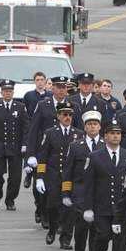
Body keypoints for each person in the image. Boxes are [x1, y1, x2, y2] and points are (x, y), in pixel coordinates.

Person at [83, 120, 126, 251]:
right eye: (112, 133)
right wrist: (88, 208)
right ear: (105, 136)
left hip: (123, 210)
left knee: (121, 244)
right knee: (103, 237)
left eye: (118, 133)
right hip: (103, 207)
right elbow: (88, 184)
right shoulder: (95, 156)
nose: (116, 136)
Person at [26, 76, 81, 226]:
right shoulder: (43, 105)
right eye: (58, 87)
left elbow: (79, 130)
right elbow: (34, 130)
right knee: (43, 187)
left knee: (62, 188)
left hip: (66, 152)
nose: (62, 90)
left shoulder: (74, 106)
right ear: (52, 88)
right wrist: (30, 155)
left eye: (64, 87)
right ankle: (42, 212)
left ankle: (58, 219)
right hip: (44, 151)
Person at [35, 102, 84, 248]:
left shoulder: (79, 134)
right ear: (58, 116)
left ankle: (65, 239)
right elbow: (43, 156)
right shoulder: (50, 133)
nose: (67, 117)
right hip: (54, 175)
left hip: (70, 177)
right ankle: (52, 229)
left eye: (70, 115)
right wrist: (40, 177)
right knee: (53, 206)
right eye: (64, 115)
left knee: (69, 209)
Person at [61, 110, 105, 251]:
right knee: (81, 228)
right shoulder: (75, 146)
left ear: (100, 127)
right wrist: (66, 193)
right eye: (89, 124)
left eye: (95, 124)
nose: (92, 127)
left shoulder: (105, 146)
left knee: (97, 229)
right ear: (85, 127)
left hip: (100, 194)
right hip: (80, 192)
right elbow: (67, 171)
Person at [0, 79, 29, 210]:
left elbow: (26, 127)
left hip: (15, 147)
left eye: (10, 91)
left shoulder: (20, 107)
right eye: (5, 91)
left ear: (13, 92)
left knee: (15, 177)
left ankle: (10, 200)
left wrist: (25, 143)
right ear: (1, 92)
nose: (7, 93)